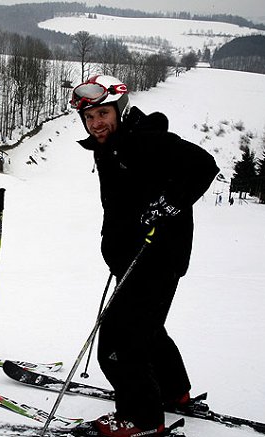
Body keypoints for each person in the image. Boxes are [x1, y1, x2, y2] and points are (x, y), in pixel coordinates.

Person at [71, 75, 219, 436]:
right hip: (138, 257)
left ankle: (142, 418)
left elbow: (203, 164)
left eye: (103, 113)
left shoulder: (143, 140)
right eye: (89, 117)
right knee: (146, 329)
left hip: (156, 258)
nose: (96, 123)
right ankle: (173, 392)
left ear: (120, 109)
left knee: (119, 342)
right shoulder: (112, 146)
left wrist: (170, 203)